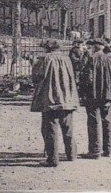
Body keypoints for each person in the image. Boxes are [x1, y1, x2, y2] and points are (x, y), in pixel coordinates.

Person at [30, 39, 79, 167]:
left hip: (50, 98)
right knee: (67, 127)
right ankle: (71, 154)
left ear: (47, 48)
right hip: (66, 98)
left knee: (49, 129)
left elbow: (36, 77)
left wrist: (34, 65)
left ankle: (52, 159)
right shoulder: (66, 59)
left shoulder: (44, 59)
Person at [86, 42, 111, 158]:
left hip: (94, 95)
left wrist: (84, 93)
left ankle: (95, 151)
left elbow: (88, 79)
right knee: (107, 121)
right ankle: (108, 150)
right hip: (107, 95)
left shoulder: (91, 59)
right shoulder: (110, 59)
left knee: (93, 122)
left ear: (95, 47)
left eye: (91, 47)